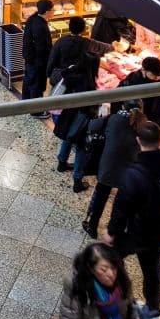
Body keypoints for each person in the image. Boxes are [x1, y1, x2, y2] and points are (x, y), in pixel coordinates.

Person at [103, 122, 160, 319]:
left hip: (136, 230)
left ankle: (116, 301)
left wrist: (112, 231)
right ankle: (152, 309)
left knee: (112, 259)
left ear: (138, 140)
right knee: (152, 269)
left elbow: (122, 207)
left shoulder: (134, 173)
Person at [48, 17, 112, 192]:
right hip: (81, 117)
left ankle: (61, 162)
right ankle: (77, 180)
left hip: (66, 113)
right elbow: (104, 47)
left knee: (68, 136)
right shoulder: (88, 82)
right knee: (81, 146)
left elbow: (52, 63)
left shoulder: (70, 70)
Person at [83, 100, 145, 238]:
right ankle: (113, 230)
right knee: (120, 203)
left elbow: (92, 126)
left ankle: (92, 226)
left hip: (108, 167)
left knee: (100, 198)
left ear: (123, 106)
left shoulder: (114, 119)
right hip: (129, 171)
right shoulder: (143, 126)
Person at [59, 243, 138, 319]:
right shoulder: (77, 289)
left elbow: (130, 306)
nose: (111, 274)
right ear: (91, 269)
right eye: (104, 270)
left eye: (113, 267)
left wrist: (138, 317)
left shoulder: (121, 279)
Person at [118, 57, 160, 130]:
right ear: (143, 70)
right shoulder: (128, 83)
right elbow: (117, 107)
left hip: (152, 129)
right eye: (154, 74)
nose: (157, 77)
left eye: (159, 75)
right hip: (132, 129)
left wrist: (155, 126)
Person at [22, 0, 54, 119]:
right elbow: (42, 47)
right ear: (47, 12)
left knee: (29, 80)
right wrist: (48, 60)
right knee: (37, 83)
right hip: (37, 61)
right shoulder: (40, 26)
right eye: (52, 10)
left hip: (30, 58)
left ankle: (26, 102)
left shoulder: (33, 19)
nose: (53, 12)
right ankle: (36, 110)